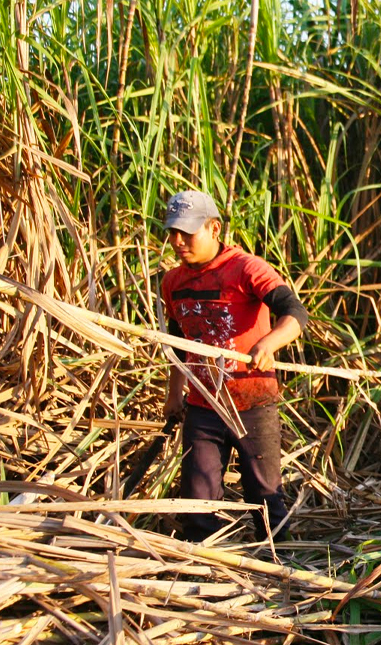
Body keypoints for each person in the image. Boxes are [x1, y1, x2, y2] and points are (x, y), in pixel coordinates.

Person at [160, 190, 308, 542]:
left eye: (187, 232)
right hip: (203, 405)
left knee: (265, 495)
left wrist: (269, 342)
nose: (178, 241)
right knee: (197, 500)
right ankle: (203, 568)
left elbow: (295, 313)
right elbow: (179, 344)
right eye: (172, 232)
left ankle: (280, 566)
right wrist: (174, 394)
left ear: (214, 228)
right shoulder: (173, 282)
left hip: (252, 400)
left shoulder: (246, 268)